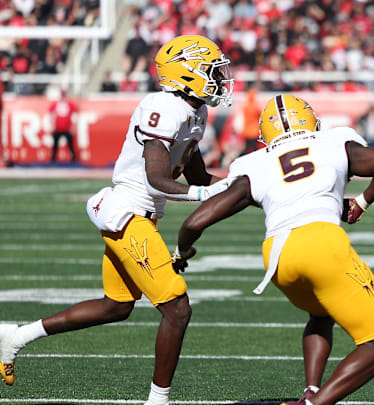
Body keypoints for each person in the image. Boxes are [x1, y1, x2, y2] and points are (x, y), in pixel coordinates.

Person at [0, 35, 234, 405]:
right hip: (128, 214)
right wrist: (204, 195)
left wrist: (246, 186)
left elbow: (199, 177)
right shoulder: (163, 106)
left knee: (116, 306)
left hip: (142, 217)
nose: (221, 77)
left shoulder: (196, 112)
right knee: (177, 308)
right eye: (212, 70)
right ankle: (158, 402)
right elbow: (159, 178)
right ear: (187, 74)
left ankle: (15, 336)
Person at [173, 94, 374, 405]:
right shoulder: (334, 140)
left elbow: (194, 223)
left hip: (279, 258)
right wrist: (360, 203)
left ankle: (311, 389)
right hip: (322, 243)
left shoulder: (255, 162)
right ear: (311, 121)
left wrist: (182, 252)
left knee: (320, 314)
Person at [49, 88, 79, 163]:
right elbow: (51, 114)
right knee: (55, 145)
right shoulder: (56, 103)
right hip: (58, 128)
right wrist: (52, 126)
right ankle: (53, 159)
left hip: (67, 128)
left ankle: (73, 159)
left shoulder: (69, 104)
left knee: (70, 145)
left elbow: (75, 114)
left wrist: (73, 127)